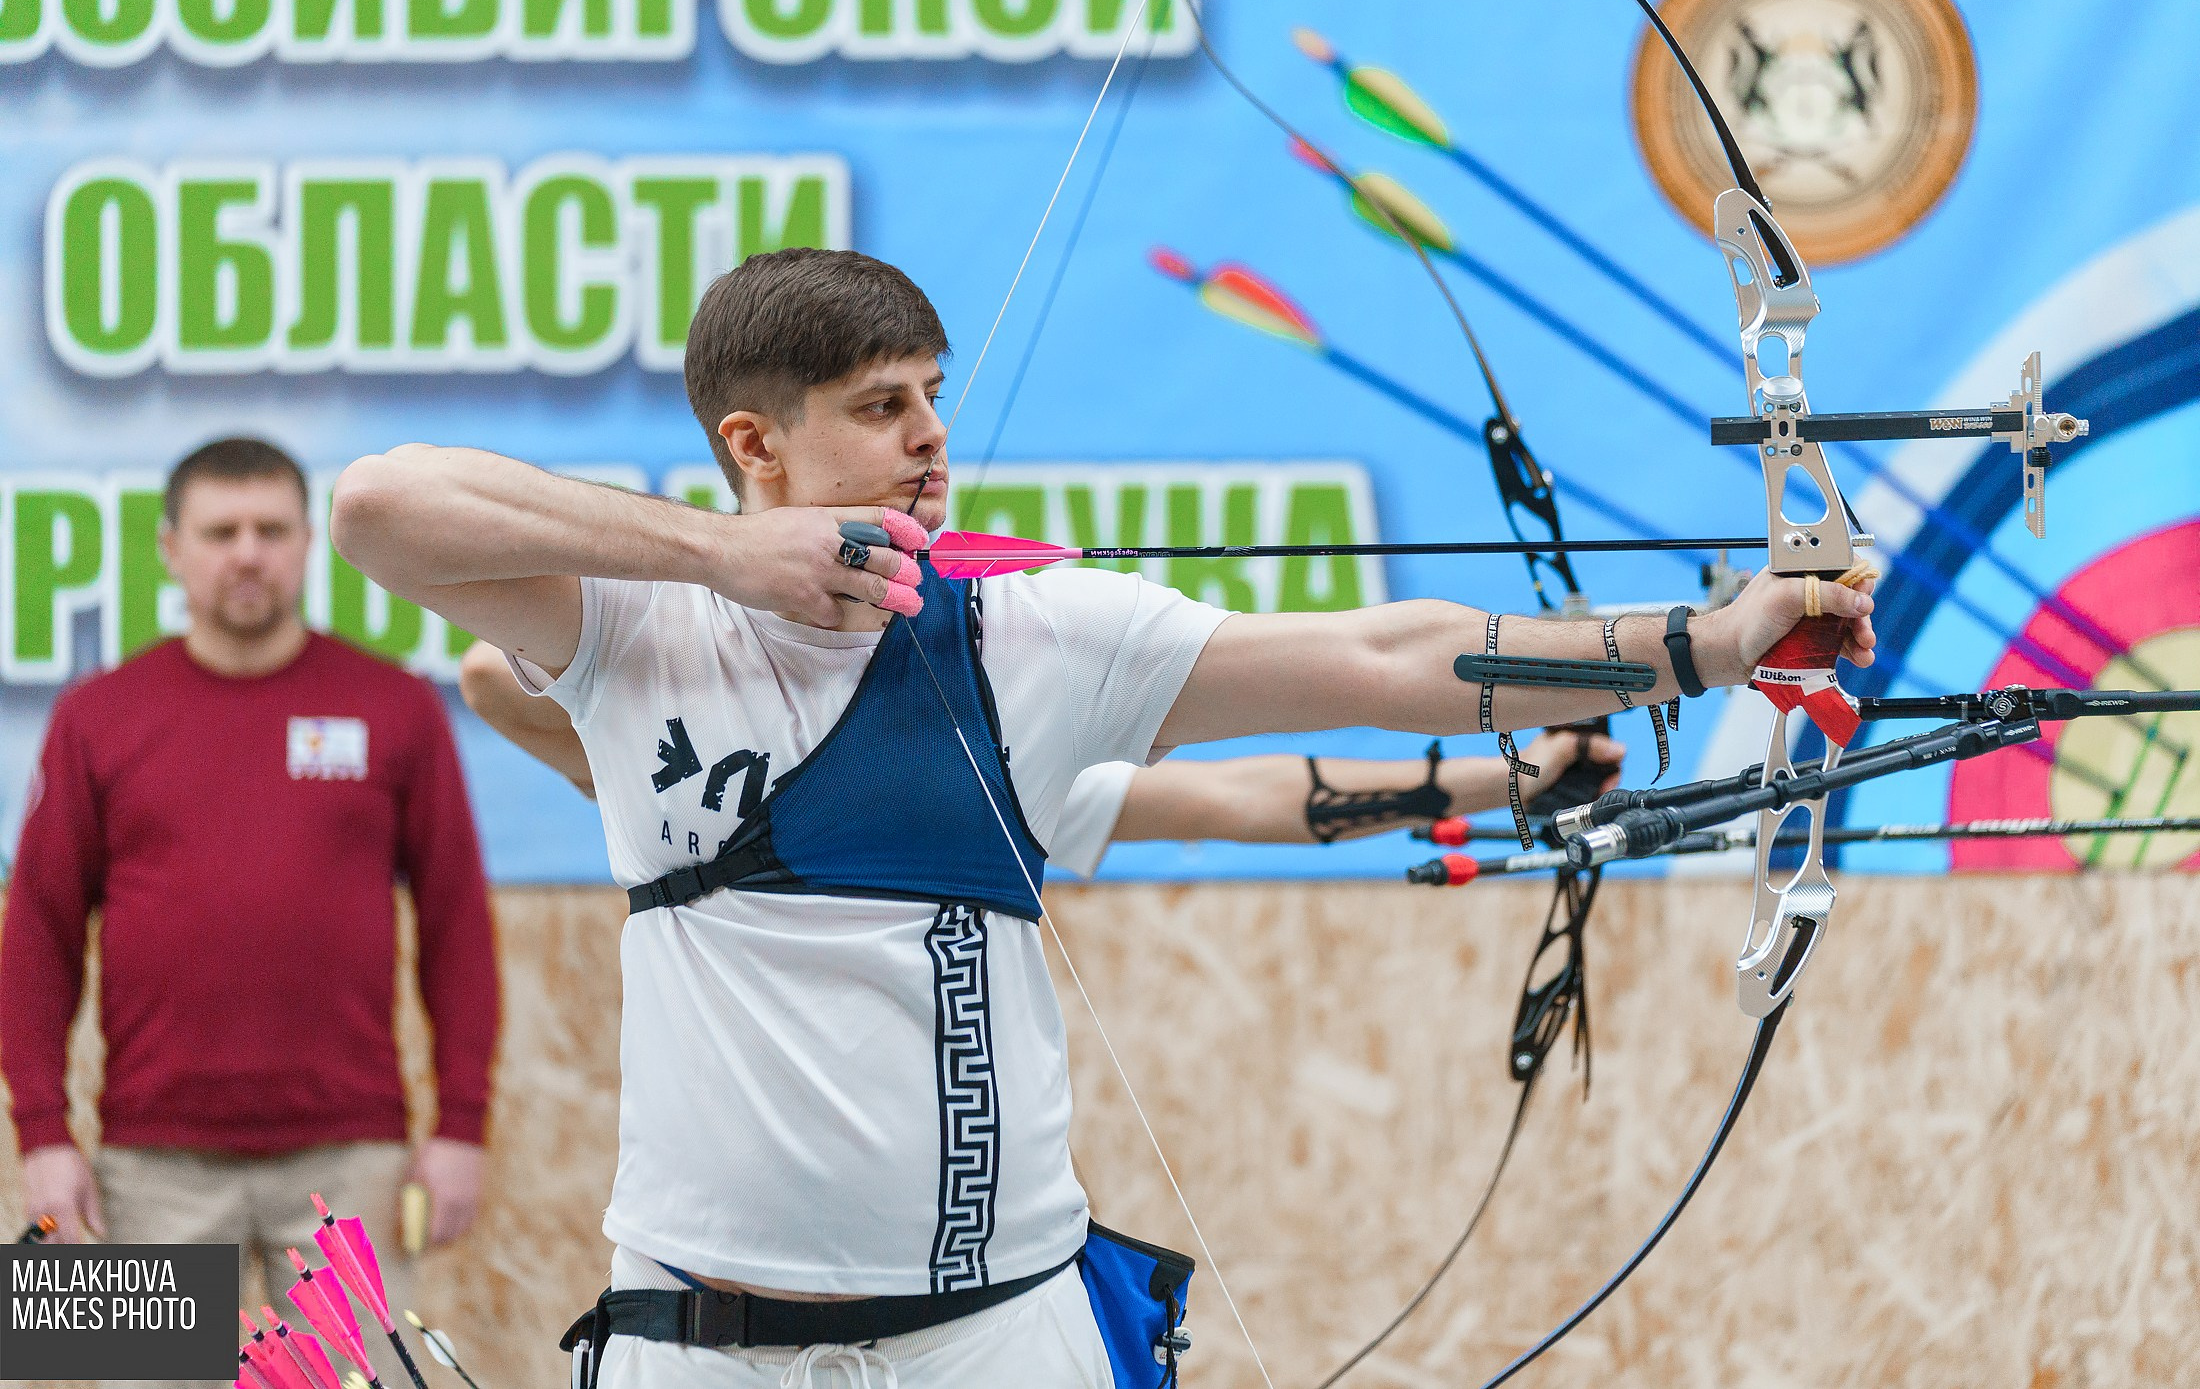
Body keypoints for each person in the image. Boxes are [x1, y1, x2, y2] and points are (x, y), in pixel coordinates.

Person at [328, 247, 1873, 1388]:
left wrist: (1708, 640)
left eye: (935, 397)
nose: (930, 436)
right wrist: (726, 558)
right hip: (694, 1339)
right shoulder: (635, 627)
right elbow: (380, 506)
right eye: (881, 405)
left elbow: (1380, 657)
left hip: (987, 1338)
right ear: (757, 444)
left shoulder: (1028, 632)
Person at [1, 437, 500, 1389]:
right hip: (149, 1163)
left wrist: (461, 1126)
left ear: (308, 543)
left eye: (270, 529)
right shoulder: (96, 716)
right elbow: (37, 938)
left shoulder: (393, 706)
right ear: (170, 548)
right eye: (220, 530)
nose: (246, 552)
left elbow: (456, 927)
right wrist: (44, 1137)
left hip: (351, 1162)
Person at [455, 635, 1625, 870]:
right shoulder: (688, 751)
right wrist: (728, 586)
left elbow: (1235, 800)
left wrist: (1510, 777)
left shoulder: (970, 764)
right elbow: (488, 674)